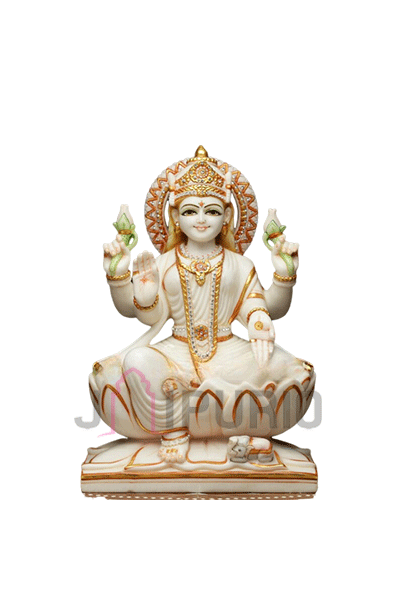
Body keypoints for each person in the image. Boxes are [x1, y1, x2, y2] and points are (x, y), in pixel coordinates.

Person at [89, 147, 315, 463]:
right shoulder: (165, 263)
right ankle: (175, 429)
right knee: (136, 362)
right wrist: (127, 284)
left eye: (211, 211)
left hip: (229, 353)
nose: (201, 219)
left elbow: (265, 307)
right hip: (176, 353)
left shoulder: (240, 264)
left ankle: (191, 412)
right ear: (175, 217)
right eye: (190, 211)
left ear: (227, 217)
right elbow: (146, 315)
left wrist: (281, 281)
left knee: (295, 372)